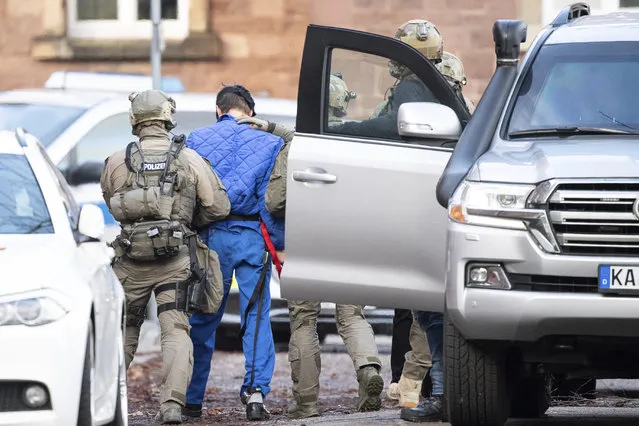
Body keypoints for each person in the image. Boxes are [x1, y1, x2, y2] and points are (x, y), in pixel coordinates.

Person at [239, 73, 385, 418]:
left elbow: (274, 202)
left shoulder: (297, 147)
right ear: (343, 102)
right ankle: (369, 371)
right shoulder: (360, 141)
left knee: (304, 320)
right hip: (351, 237)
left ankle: (306, 403)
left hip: (306, 239)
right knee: (352, 315)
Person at [100, 89, 231, 423]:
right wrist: (185, 221)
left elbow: (111, 202)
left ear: (135, 120)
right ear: (167, 116)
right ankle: (172, 405)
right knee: (175, 328)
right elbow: (218, 206)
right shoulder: (188, 158)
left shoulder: (117, 160)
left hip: (131, 261)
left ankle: (104, 401)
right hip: (175, 260)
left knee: (124, 329)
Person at [184, 84, 285, 421]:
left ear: (219, 109)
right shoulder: (270, 143)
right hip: (253, 236)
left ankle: (192, 398)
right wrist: (279, 244)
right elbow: (273, 202)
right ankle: (256, 394)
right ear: (251, 113)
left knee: (203, 317)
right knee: (256, 314)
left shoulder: (195, 140)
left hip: (211, 237)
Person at [330, 19, 444, 139]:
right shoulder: (438, 88)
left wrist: (349, 128)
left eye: (398, 53)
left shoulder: (410, 87)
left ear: (408, 57)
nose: (393, 59)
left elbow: (393, 124)